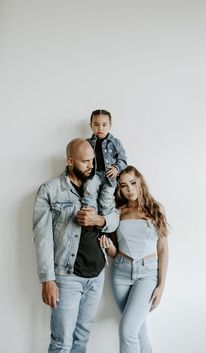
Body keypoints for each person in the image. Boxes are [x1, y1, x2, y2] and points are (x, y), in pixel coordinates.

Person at [33, 138, 119, 353]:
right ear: (70, 160)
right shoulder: (50, 190)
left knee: (82, 339)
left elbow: (114, 217)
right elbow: (42, 238)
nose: (91, 166)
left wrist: (98, 220)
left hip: (96, 274)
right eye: (85, 162)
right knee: (62, 343)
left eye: (92, 161)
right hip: (67, 277)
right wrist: (48, 279)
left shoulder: (99, 185)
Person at [99, 166, 169, 353]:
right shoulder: (118, 212)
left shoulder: (155, 209)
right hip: (120, 273)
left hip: (147, 275)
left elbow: (162, 249)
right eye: (123, 186)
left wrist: (161, 286)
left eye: (132, 183)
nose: (129, 189)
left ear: (140, 182)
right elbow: (115, 251)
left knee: (127, 330)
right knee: (138, 331)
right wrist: (109, 248)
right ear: (119, 189)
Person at [83, 109, 127, 215]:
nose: (100, 128)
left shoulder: (115, 142)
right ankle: (90, 213)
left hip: (110, 176)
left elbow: (123, 160)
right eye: (96, 124)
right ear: (91, 126)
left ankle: (104, 218)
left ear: (110, 126)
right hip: (94, 174)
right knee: (89, 189)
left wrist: (116, 168)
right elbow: (83, 159)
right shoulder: (87, 143)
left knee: (106, 197)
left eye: (104, 125)